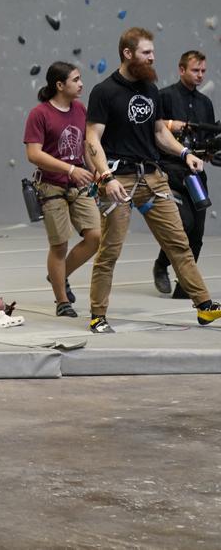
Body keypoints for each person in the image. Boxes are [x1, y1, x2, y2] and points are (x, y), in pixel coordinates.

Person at [85, 27, 221, 334]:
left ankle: (204, 307)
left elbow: (160, 133)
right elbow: (91, 138)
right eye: (147, 53)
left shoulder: (150, 89)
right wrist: (106, 177)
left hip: (153, 178)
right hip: (117, 179)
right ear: (128, 54)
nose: (152, 58)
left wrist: (185, 152)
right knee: (110, 250)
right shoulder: (104, 92)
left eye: (153, 53)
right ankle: (97, 314)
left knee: (179, 244)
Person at [24, 62, 100, 318]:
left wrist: (96, 170)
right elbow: (33, 154)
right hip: (51, 185)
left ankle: (58, 274)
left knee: (94, 237)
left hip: (79, 183)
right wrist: (69, 170)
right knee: (59, 245)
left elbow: (85, 146)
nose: (81, 84)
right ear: (60, 85)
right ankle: (62, 301)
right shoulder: (40, 114)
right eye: (76, 79)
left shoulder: (79, 108)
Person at [151, 50, 215, 299]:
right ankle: (161, 264)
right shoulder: (164, 96)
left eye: (203, 71)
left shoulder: (205, 103)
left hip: (196, 174)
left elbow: (207, 140)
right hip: (169, 171)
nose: (199, 75)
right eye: (195, 70)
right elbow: (153, 130)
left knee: (197, 232)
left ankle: (184, 286)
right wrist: (169, 125)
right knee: (183, 225)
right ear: (181, 70)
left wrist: (209, 151)